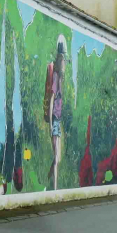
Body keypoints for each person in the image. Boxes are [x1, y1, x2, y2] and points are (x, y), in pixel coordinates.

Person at [46, 35, 67, 191]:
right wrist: (50, 121)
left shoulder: (60, 77)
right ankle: (54, 189)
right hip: (54, 119)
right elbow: (52, 99)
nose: (65, 62)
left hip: (58, 120)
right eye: (64, 59)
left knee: (58, 158)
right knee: (56, 156)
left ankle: (49, 176)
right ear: (60, 59)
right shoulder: (55, 77)